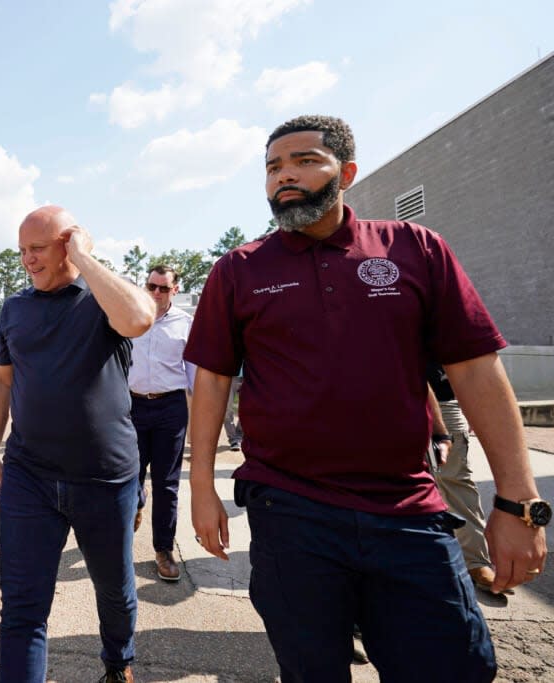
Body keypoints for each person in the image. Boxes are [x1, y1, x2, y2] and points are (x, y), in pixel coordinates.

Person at [186, 115, 547, 682]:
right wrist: (202, 488)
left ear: (346, 173)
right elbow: (212, 381)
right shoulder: (239, 270)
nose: (285, 176)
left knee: (454, 668)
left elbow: (476, 369)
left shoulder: (415, 249)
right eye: (274, 166)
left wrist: (518, 503)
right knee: (312, 671)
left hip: (407, 512)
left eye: (305, 161)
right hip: (289, 512)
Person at [0, 205, 156, 683]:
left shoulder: (102, 301)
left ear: (69, 245)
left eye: (38, 249)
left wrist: (84, 257)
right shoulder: (15, 308)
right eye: (21, 251)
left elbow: (141, 317)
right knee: (21, 606)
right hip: (29, 476)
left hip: (104, 479)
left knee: (114, 591)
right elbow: (1, 382)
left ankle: (118, 661)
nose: (27, 261)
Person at [128, 264, 195, 582]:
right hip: (133, 407)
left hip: (170, 407)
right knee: (129, 477)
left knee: (167, 485)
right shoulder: (130, 317)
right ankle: (123, 532)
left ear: (175, 290)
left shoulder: (186, 324)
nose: (156, 293)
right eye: (151, 286)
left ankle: (163, 550)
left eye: (163, 288)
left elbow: (194, 375)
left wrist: (198, 421)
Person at [427, 361, 501, 592]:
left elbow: (468, 358)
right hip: (383, 396)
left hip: (443, 398)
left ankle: (475, 561)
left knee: (457, 481)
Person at [223, 372, 243, 451]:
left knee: (246, 408)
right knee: (227, 407)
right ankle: (233, 439)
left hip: (249, 373)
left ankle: (239, 436)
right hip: (230, 373)